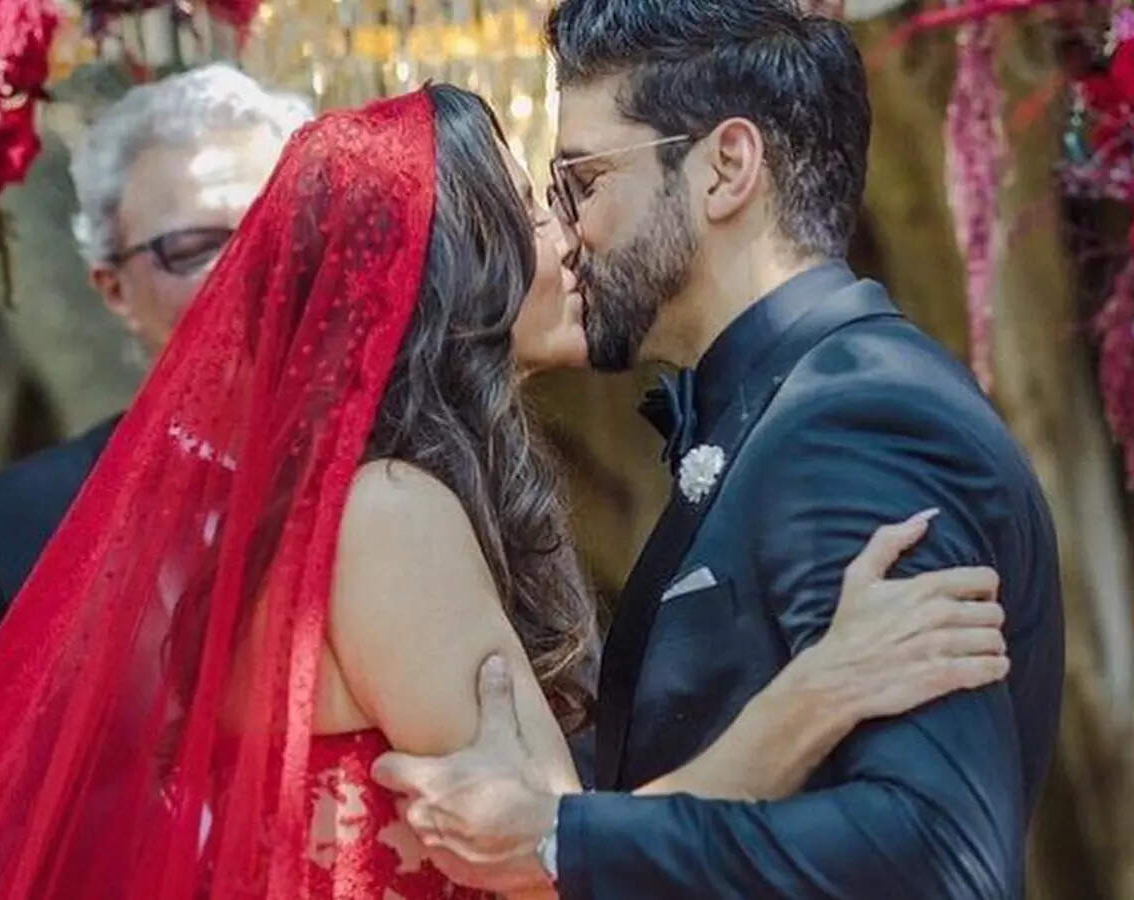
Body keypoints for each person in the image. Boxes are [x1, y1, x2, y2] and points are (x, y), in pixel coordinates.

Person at [0, 86, 1007, 900]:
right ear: (457, 267)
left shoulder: (332, 505)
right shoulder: (387, 512)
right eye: (533, 210)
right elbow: (562, 865)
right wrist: (820, 691)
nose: (568, 238)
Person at [372, 2, 1065, 898]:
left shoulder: (860, 417)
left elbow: (938, 852)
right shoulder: (778, 406)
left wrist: (562, 840)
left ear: (727, 168)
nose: (568, 232)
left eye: (582, 179)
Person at [0, 64, 310, 721]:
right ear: (114, 289)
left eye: (280, 229)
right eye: (193, 248)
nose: (250, 267)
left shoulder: (425, 472)